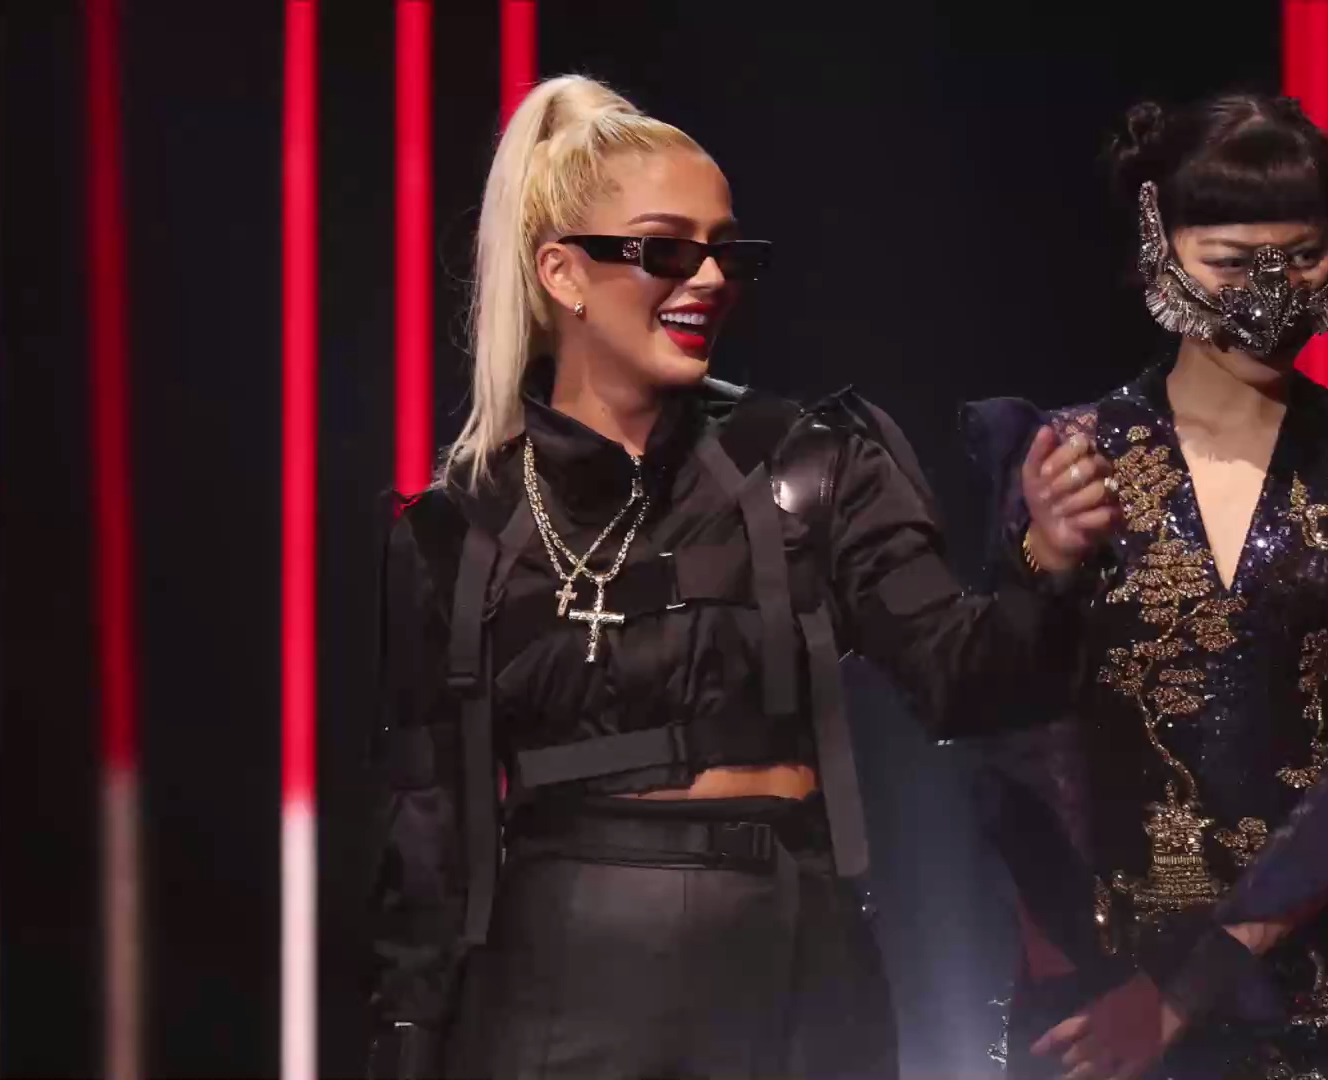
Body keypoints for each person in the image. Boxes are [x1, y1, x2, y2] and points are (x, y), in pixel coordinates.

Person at [362, 75, 1115, 1080]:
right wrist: (405, 1047)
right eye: (669, 249)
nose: (711, 278)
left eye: (729, 251)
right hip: (553, 987)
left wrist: (1046, 561)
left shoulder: (815, 465)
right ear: (562, 272)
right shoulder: (457, 528)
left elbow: (961, 677)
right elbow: (427, 834)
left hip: (789, 970)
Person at [960, 93, 1328, 1080]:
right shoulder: (1064, 456)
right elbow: (1003, 732)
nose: (1271, 294)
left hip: (1321, 995)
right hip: (1098, 993)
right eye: (1234, 262)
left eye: (1302, 257)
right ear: (1157, 246)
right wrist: (1041, 560)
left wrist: (1191, 986)